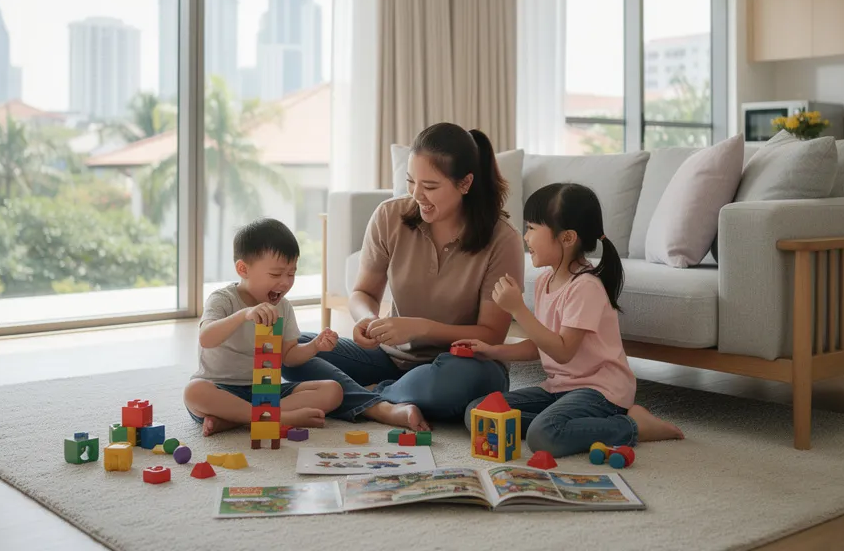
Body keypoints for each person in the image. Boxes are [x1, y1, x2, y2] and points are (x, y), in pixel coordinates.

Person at [284, 123, 524, 431]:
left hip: (460, 364)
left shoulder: (502, 240)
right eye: (411, 182)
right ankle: (382, 405)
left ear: (465, 183)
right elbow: (363, 294)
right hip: (390, 359)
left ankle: (367, 395)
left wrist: (421, 329)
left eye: (431, 186)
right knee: (290, 348)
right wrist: (367, 320)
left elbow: (491, 334)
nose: (417, 194)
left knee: (460, 384)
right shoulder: (389, 216)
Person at [456, 183, 683, 457]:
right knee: (479, 413)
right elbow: (541, 345)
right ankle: (573, 425)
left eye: (531, 228)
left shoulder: (585, 286)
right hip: (559, 388)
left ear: (567, 238)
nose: (525, 237)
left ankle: (632, 425)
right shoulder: (544, 282)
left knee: (544, 435)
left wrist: (518, 310)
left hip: (600, 391)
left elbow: (562, 351)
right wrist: (491, 350)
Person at [184, 218, 343, 436]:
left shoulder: (284, 308)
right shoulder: (223, 299)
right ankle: (276, 416)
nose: (286, 282)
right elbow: (206, 338)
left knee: (332, 390)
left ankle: (238, 420)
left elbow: (288, 356)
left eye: (291, 273)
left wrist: (315, 346)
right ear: (243, 269)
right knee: (194, 392)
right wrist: (243, 315)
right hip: (221, 389)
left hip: (266, 391)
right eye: (276, 274)